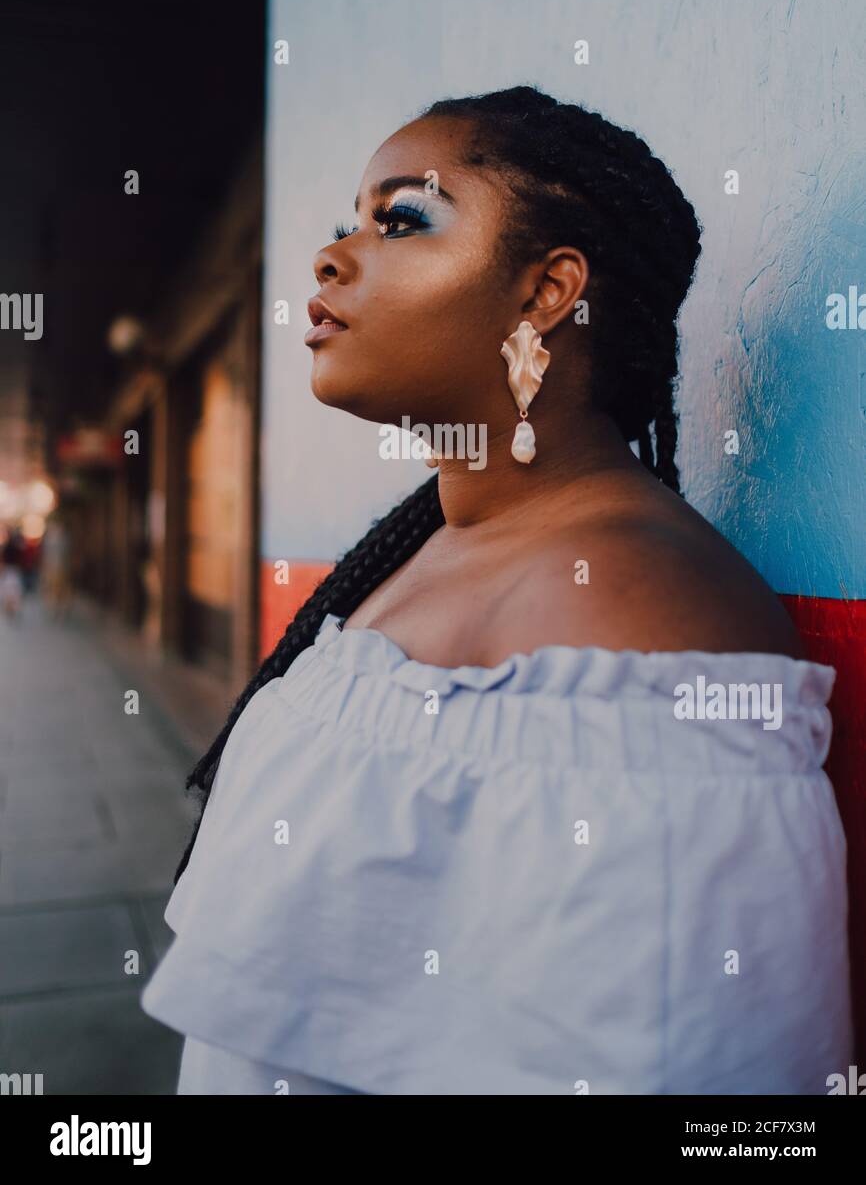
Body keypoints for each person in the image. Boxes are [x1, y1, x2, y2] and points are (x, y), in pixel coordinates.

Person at [141, 85, 852, 1095]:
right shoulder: (422, 550)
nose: (331, 257)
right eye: (348, 220)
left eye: (400, 220)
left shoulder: (635, 613)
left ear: (546, 292)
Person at [0, 528, 25, 621]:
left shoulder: (6, 547)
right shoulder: (16, 547)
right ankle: (12, 609)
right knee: (13, 592)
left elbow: (2, 560)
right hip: (14, 571)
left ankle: (10, 609)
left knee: (8, 592)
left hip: (8, 571)